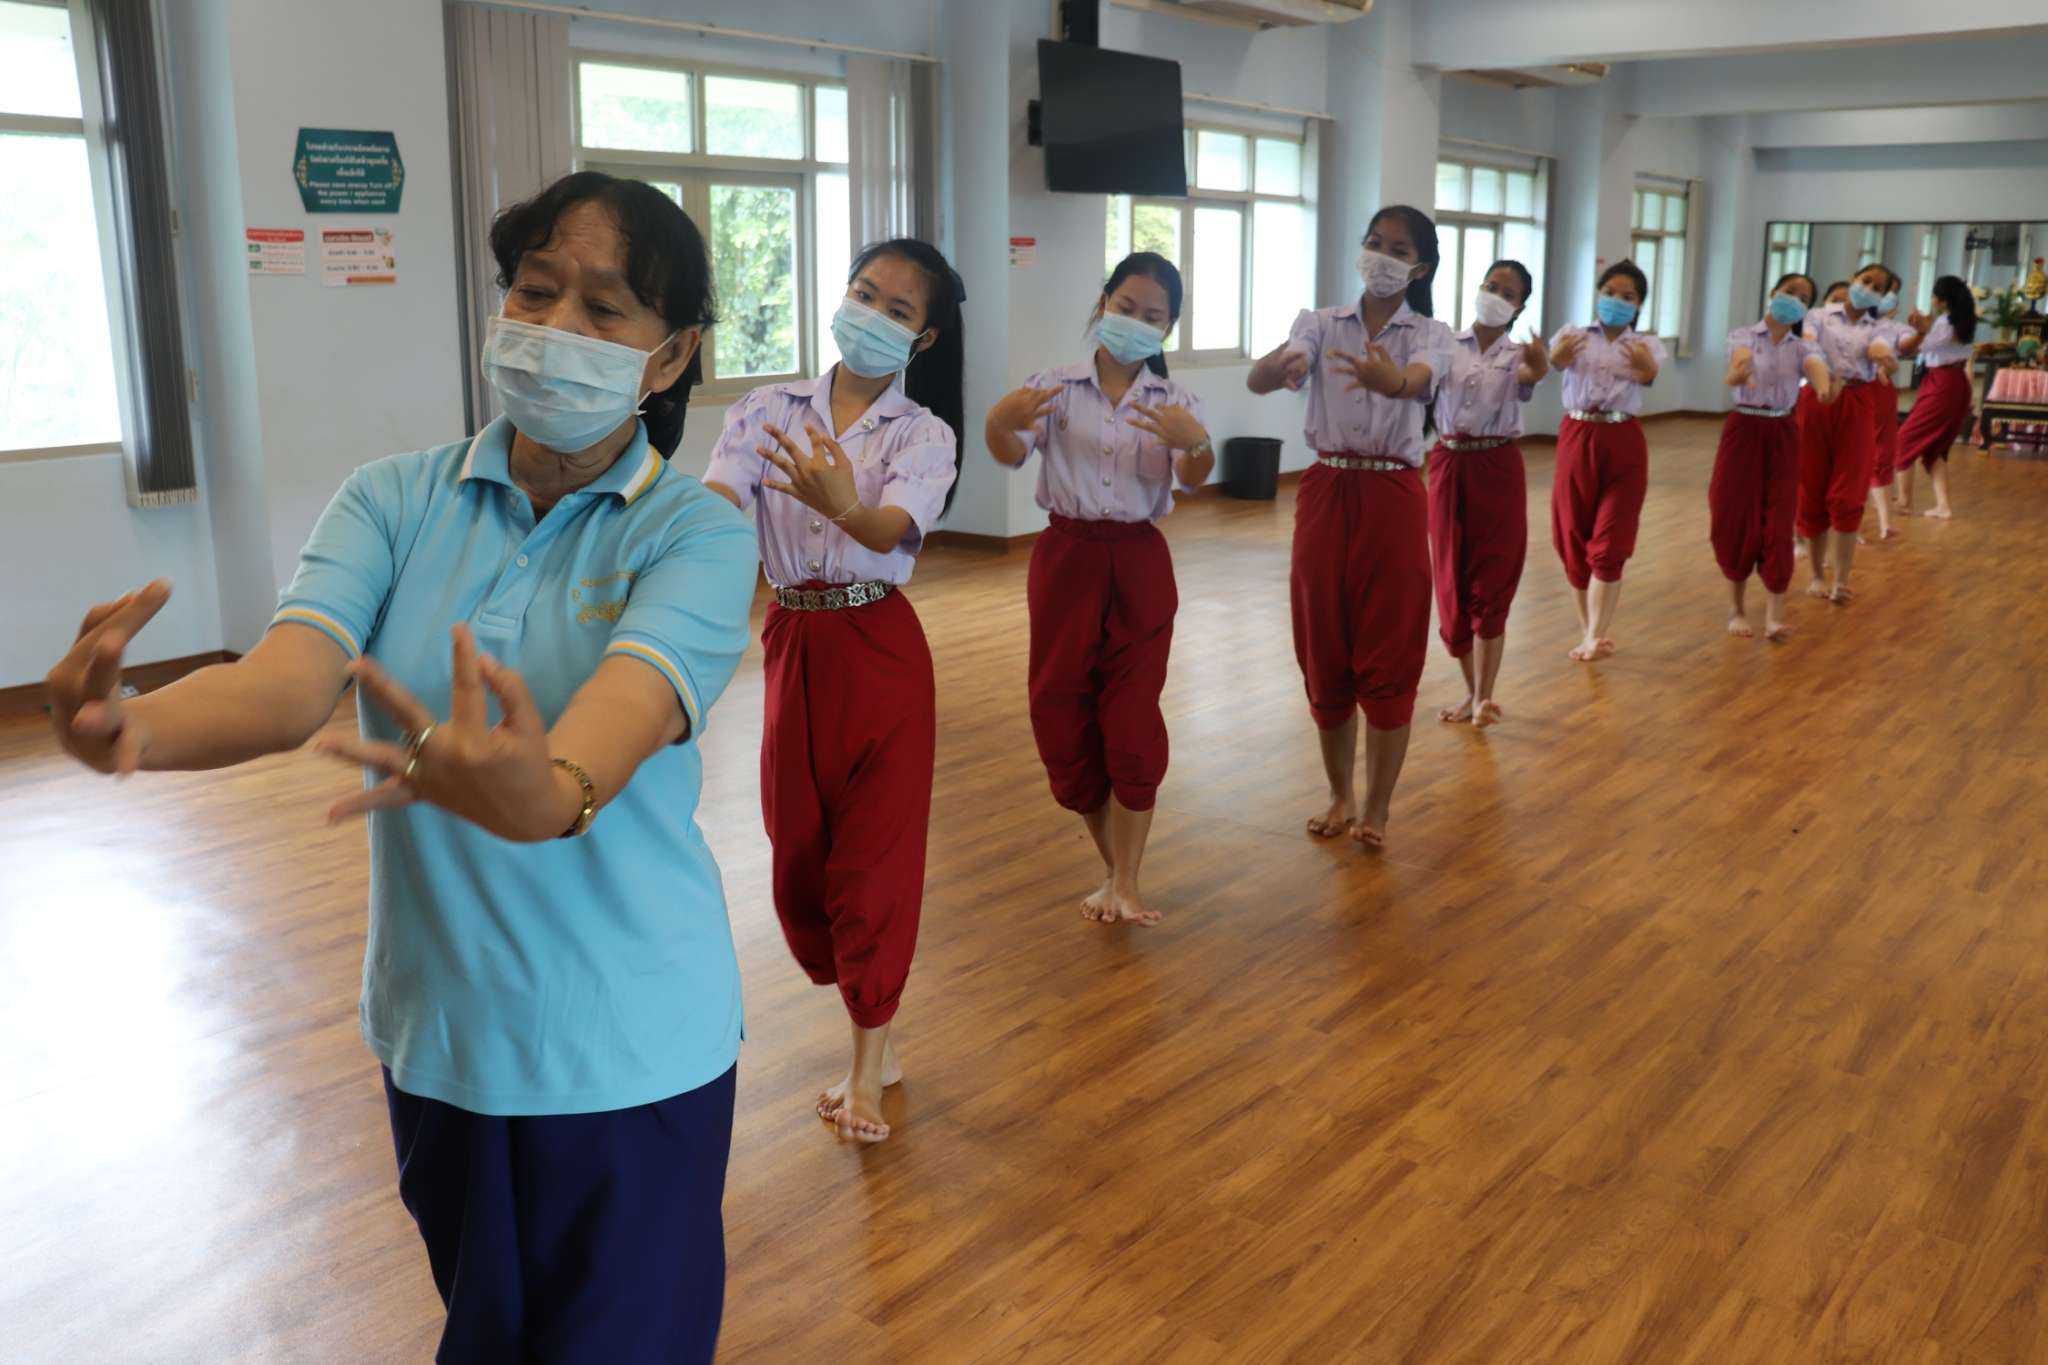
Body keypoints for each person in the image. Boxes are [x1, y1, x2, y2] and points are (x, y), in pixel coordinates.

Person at [41, 171, 760, 1362]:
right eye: (534, 292)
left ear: (671, 355)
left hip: (630, 1051)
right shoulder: (392, 498)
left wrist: (544, 789)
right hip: (445, 1042)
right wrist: (134, 730)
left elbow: (617, 722)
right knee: (484, 1339)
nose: (554, 328)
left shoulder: (694, 533)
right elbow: (285, 682)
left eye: (602, 309)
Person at [702, 238, 963, 1145]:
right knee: (797, 846)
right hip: (793, 638)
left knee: (875, 858)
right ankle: (861, 1005)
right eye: (864, 293)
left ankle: (868, 1062)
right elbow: (717, 501)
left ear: (923, 338)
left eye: (898, 309)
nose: (872, 315)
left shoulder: (922, 434)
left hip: (879, 646)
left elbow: (889, 528)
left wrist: (843, 503)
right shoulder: (766, 409)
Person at [984, 252, 1215, 926]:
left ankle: (1129, 882)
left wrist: (1196, 443)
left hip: (1139, 562)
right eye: (1125, 307)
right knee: (1060, 710)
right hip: (1066, 560)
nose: (1135, 322)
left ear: (1168, 328)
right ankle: (1114, 871)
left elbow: (1193, 476)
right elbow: (1010, 451)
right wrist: (999, 420)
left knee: (1132, 714)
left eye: (1153, 316)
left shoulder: (1175, 401)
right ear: (1103, 303)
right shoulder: (1053, 387)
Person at [1246, 205, 1453, 849]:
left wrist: (1390, 378)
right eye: (1373, 242)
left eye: (1398, 250)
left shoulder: (1433, 333)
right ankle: (1339, 794)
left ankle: (1378, 808)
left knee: (1389, 641)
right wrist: (1280, 366)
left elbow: (1415, 380)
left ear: (1419, 268)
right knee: (1323, 640)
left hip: (1392, 493)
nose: (1381, 256)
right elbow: (1266, 375)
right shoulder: (1319, 323)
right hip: (1326, 489)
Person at [1426, 259, 1549, 726]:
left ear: (1519, 307)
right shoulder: (1444, 345)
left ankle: (1484, 698)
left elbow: (1529, 377)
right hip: (1448, 463)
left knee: (1492, 576)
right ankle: (1471, 691)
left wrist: (1538, 366)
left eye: (1508, 293)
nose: (1496, 296)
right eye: (1491, 286)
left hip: (1496, 466)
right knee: (1450, 576)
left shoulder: (1518, 356)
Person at [1547, 260, 1666, 661]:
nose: (1616, 301)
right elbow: (1554, 363)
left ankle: (1596, 634)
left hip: (1622, 437)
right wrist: (1555, 356)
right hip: (1577, 434)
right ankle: (1588, 633)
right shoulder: (1573, 334)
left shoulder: (1647, 345)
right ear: (1598, 294)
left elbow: (1650, 375)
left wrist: (1647, 367)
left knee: (1612, 537)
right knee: (1572, 532)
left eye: (1627, 296)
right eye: (1610, 293)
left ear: (1639, 304)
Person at [1711, 272, 1834, 641]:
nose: (1795, 299)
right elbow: (1739, 360)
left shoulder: (1803, 347)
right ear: (1773, 292)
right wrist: (1739, 373)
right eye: (1790, 291)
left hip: (1782, 430)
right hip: (1743, 428)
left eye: (1803, 297)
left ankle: (1775, 615)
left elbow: (1816, 367)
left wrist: (1823, 386)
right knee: (1735, 514)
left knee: (1780, 517)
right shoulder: (1743, 335)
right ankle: (1736, 608)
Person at [1798, 261, 1900, 603]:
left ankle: (1841, 579)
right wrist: (1823, 384)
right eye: (1865, 280)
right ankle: (1816, 574)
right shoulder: (1818, 315)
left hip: (1857, 401)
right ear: (1854, 278)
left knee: (1850, 489)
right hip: (1818, 397)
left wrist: (1884, 358)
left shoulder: (1881, 326)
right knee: (1811, 483)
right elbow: (1810, 348)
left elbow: (1878, 347)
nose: (1868, 288)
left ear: (1882, 296)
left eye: (1877, 287)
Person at [1894, 274, 1978, 518]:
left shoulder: (1945, 322)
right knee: (1936, 448)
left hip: (1942, 383)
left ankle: (1904, 501)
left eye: (1934, 296)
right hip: (1955, 382)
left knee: (1904, 439)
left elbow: (1921, 347)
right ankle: (1943, 506)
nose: (1932, 300)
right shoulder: (1963, 320)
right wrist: (1922, 328)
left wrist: (1918, 330)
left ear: (1943, 300)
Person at [1864, 272, 1918, 543]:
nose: (1887, 295)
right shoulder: (1847, 323)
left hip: (1881, 392)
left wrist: (1922, 332)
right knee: (1849, 457)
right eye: (1881, 289)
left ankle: (1885, 523)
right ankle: (1845, 525)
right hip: (1851, 389)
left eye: (1892, 291)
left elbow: (1908, 345)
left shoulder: (1894, 327)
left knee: (1882, 454)